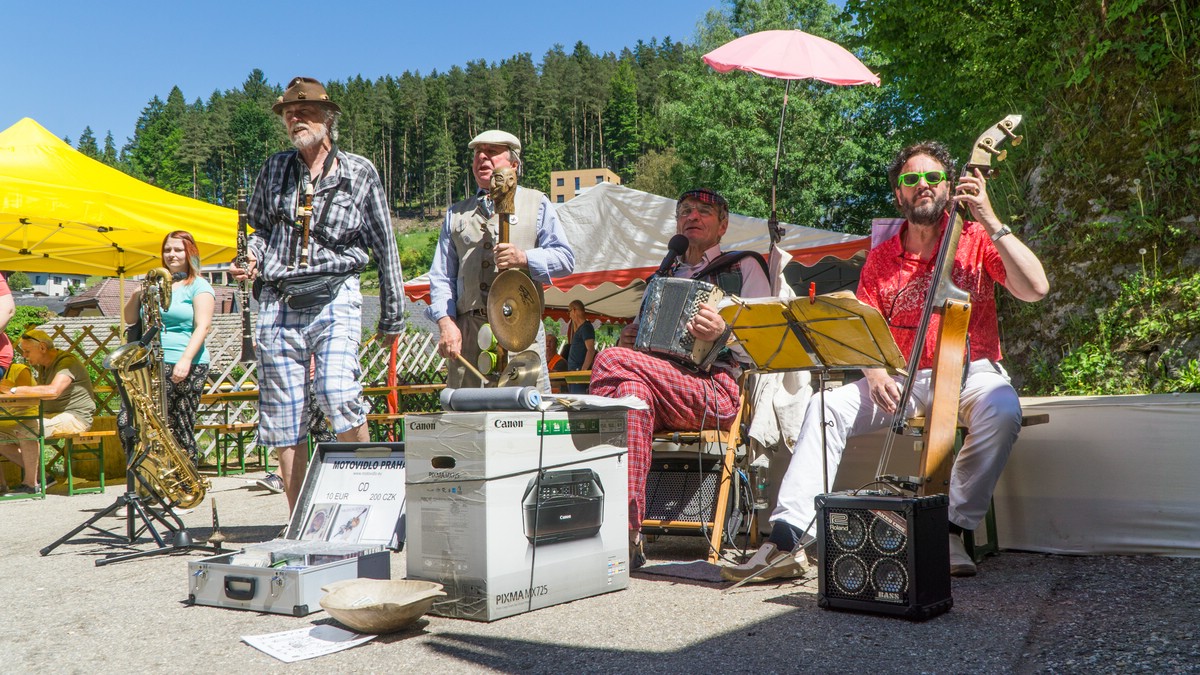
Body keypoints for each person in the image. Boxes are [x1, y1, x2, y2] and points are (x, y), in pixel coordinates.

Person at [723, 141, 1049, 583]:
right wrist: (874, 372)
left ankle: (950, 527)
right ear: (898, 194)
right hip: (900, 375)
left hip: (972, 371)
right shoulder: (881, 256)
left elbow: (1035, 289)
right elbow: (865, 327)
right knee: (826, 407)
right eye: (911, 180)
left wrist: (989, 218)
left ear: (950, 187)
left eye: (933, 178)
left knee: (1003, 409)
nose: (923, 186)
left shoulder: (975, 239)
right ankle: (786, 538)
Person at [229, 76, 405, 514]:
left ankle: (367, 509)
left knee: (337, 393)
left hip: (335, 293)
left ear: (328, 118)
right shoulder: (274, 169)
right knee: (283, 416)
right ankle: (300, 521)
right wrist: (250, 257)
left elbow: (384, 245)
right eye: (289, 113)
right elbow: (261, 231)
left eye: (304, 111)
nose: (294, 118)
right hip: (277, 298)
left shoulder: (360, 171)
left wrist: (393, 316)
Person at [588, 188, 771, 567]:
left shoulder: (745, 267)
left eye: (704, 211)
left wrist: (725, 332)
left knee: (608, 360)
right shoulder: (663, 273)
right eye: (685, 210)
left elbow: (764, 350)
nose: (692, 216)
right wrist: (631, 339)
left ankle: (591, 506)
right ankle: (628, 536)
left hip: (716, 390)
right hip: (658, 386)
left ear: (723, 226)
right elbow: (642, 341)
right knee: (631, 397)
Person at [427, 129, 574, 392]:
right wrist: (446, 324)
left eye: (492, 152)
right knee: (468, 422)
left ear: (514, 165)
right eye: (477, 153)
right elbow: (441, 277)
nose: (482, 157)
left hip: (522, 334)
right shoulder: (456, 214)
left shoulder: (536, 203)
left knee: (526, 419)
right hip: (469, 336)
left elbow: (565, 259)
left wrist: (524, 258)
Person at [121, 231, 215, 465]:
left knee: (178, 427)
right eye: (167, 250)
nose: (171, 254)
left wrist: (185, 360)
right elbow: (130, 319)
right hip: (150, 363)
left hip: (185, 361)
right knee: (129, 421)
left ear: (189, 252)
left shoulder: (198, 285)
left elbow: (202, 326)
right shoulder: (156, 284)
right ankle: (150, 477)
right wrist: (136, 295)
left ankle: (186, 486)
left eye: (178, 249)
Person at [0, 330, 96, 494]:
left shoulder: (66, 363)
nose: (24, 355)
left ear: (42, 348)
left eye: (27, 351)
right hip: (50, 416)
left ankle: (31, 484)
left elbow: (53, 391)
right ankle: (43, 476)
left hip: (75, 416)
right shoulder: (44, 366)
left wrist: (14, 390)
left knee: (28, 427)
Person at [565, 300, 595, 394]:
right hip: (575, 371)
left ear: (574, 310)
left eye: (569, 312)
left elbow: (591, 349)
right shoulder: (581, 328)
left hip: (578, 371)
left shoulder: (586, 327)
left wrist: (582, 371)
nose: (569, 315)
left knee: (577, 400)